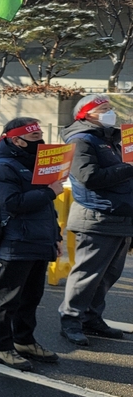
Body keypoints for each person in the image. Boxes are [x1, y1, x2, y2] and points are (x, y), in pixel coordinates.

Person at [0, 118, 63, 370]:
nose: (40, 141)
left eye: (41, 135)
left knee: (31, 297)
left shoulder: (36, 165)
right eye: (33, 138)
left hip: (40, 239)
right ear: (16, 140)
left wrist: (57, 236)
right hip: (17, 241)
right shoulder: (3, 167)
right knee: (7, 300)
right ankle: (1, 348)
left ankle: (24, 341)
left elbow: (47, 209)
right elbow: (13, 203)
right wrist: (50, 191)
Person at [58, 94, 132, 346]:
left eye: (110, 108)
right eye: (104, 109)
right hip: (97, 216)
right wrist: (129, 167)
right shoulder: (81, 140)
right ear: (88, 114)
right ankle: (70, 320)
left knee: (109, 274)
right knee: (88, 274)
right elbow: (89, 177)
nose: (110, 112)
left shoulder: (110, 138)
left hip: (120, 216)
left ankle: (91, 317)